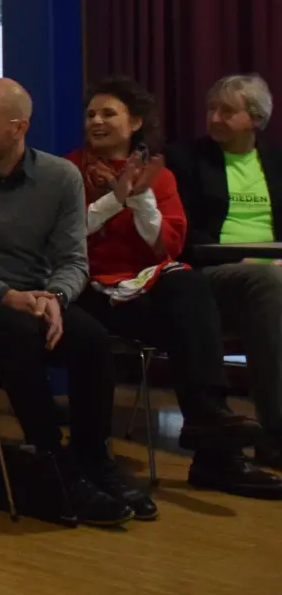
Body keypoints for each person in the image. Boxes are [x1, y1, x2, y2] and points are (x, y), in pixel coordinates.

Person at [0, 78, 149, 527]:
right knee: (18, 333)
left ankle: (93, 458)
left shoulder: (58, 177)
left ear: (18, 127)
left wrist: (55, 297)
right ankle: (54, 463)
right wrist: (8, 296)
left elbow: (73, 259)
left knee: (92, 339)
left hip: (36, 296)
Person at [67, 77, 279, 498]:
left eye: (109, 113)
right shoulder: (67, 170)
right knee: (189, 299)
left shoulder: (158, 176)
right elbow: (66, 236)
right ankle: (217, 444)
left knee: (185, 285)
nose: (97, 121)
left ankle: (210, 426)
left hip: (147, 287)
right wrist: (115, 198)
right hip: (89, 290)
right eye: (91, 114)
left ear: (135, 122)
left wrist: (141, 197)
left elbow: (168, 245)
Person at [166, 74, 282, 468]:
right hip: (211, 276)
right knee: (266, 281)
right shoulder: (186, 159)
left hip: (272, 275)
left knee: (271, 280)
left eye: (227, 111)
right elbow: (183, 232)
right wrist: (237, 262)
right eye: (211, 110)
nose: (214, 118)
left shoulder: (276, 160)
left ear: (255, 117)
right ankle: (275, 434)